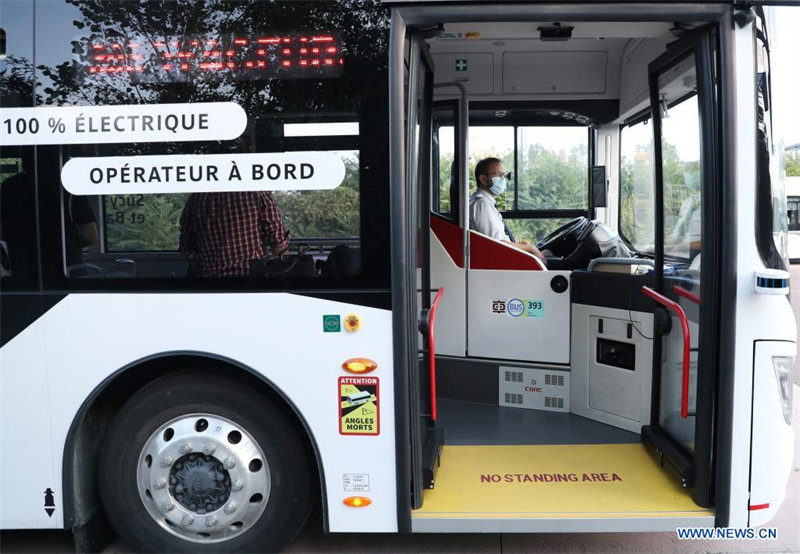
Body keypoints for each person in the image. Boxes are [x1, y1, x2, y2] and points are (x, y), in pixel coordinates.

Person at [179, 191, 290, 277]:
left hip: (211, 285)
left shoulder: (195, 199)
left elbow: (188, 249)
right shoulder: (256, 192)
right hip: (252, 282)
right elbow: (279, 244)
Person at [469, 157, 547, 266]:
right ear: (483, 179)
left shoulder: (486, 203)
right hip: (500, 263)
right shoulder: (482, 204)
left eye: (505, 176)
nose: (503, 180)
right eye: (499, 175)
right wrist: (531, 249)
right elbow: (498, 244)